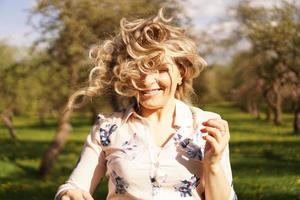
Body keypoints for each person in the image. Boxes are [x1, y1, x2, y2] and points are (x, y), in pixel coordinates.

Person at [55, 8, 237, 200]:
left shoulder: (207, 125)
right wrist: (69, 194)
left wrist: (213, 164)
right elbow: (75, 185)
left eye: (160, 69)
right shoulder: (107, 128)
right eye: (138, 69)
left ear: (181, 72)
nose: (147, 81)